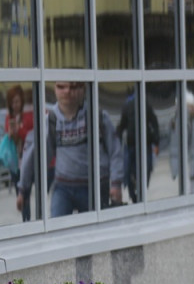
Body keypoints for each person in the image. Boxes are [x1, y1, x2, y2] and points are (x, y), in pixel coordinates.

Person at [17, 82, 124, 217]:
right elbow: (34, 155)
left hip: (95, 186)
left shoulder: (98, 117)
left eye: (73, 87)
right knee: (57, 228)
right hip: (63, 187)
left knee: (92, 233)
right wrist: (23, 189)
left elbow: (115, 151)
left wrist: (116, 184)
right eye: (61, 87)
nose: (67, 92)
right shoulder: (51, 120)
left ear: (83, 89)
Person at [116, 91, 160, 203]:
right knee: (145, 169)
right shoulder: (145, 105)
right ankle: (140, 193)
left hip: (133, 144)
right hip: (143, 143)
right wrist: (156, 141)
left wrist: (118, 140)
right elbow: (154, 123)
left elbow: (122, 126)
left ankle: (134, 194)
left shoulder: (129, 106)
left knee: (129, 170)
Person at [0, 86, 33, 217]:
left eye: (17, 102)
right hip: (15, 160)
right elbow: (8, 137)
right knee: (18, 192)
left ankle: (27, 220)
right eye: (12, 102)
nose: (15, 105)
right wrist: (11, 134)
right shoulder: (9, 117)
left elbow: (30, 136)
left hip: (26, 159)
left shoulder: (27, 116)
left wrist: (19, 130)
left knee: (26, 192)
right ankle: (25, 219)